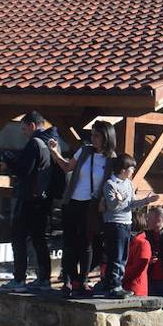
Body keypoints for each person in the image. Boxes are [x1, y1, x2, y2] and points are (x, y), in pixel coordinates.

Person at [49, 121, 115, 294]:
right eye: (92, 135)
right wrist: (55, 152)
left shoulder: (111, 159)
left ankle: (83, 280)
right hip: (72, 201)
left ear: (106, 137)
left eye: (97, 135)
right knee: (69, 242)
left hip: (91, 204)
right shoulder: (84, 151)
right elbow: (66, 167)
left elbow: (114, 183)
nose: (92, 139)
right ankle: (68, 280)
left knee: (86, 243)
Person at [0, 112, 58, 289]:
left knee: (18, 238)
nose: (24, 133)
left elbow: (24, 170)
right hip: (44, 199)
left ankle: (19, 279)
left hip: (29, 199)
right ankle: (44, 278)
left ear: (32, 125)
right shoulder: (52, 142)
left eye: (24, 128)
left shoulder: (35, 143)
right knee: (39, 239)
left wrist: (9, 160)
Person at [96, 155, 159, 298]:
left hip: (126, 222)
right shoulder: (110, 184)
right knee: (116, 255)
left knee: (123, 255)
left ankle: (115, 284)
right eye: (131, 168)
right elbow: (112, 206)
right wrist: (121, 199)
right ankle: (114, 285)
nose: (132, 171)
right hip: (114, 223)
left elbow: (132, 204)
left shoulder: (129, 184)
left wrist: (147, 200)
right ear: (123, 169)